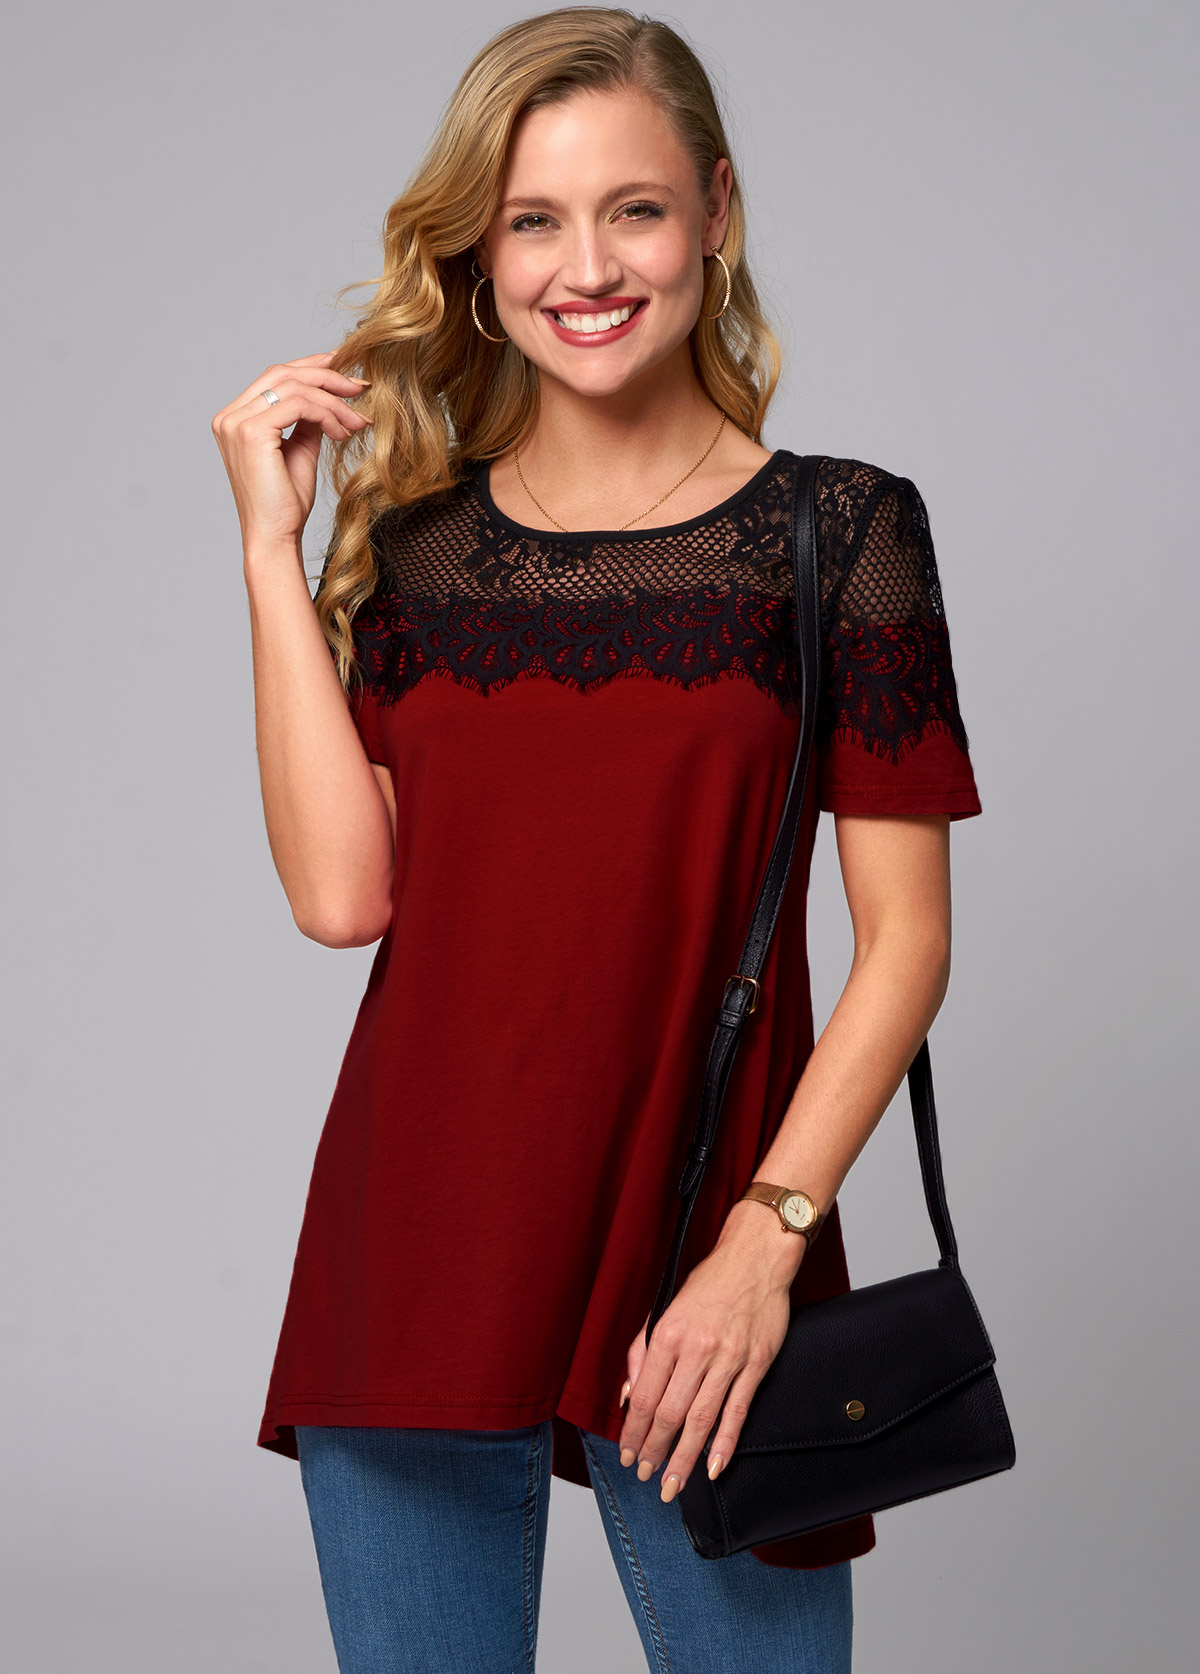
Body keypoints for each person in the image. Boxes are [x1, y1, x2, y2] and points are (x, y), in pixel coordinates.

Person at [211, 9, 982, 1671]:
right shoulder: (412, 549)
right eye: (533, 221)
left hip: (713, 1256)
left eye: (634, 209)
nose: (587, 267)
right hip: (418, 1252)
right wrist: (274, 552)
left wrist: (765, 1245)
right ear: (480, 259)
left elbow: (906, 945)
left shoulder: (844, 530)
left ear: (716, 213)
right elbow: (342, 898)